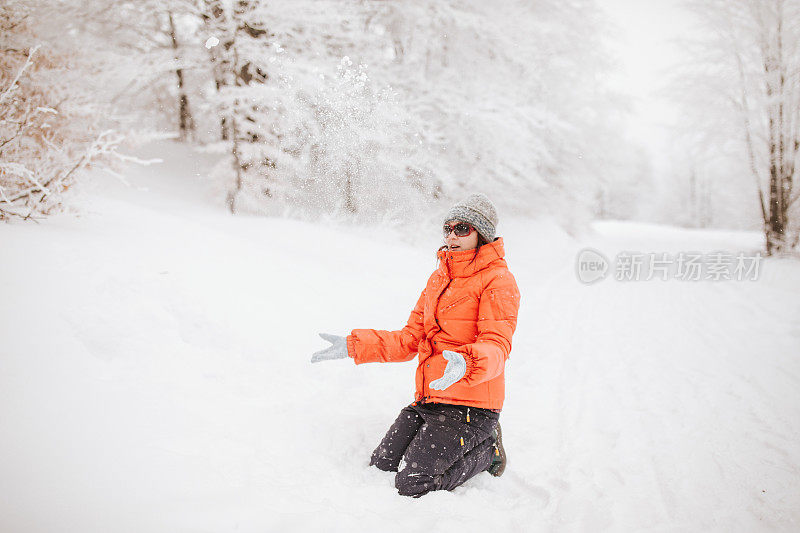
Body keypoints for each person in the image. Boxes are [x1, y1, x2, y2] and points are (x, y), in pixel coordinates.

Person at [311, 193, 521, 497]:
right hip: (430, 399)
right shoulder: (439, 278)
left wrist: (468, 362)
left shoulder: (498, 280)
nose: (452, 235)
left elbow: (497, 344)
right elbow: (410, 338)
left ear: (482, 234)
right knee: (381, 466)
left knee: (413, 483)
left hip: (471, 408)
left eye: (463, 228)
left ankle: (488, 449)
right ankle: (457, 438)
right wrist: (355, 345)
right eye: (448, 228)